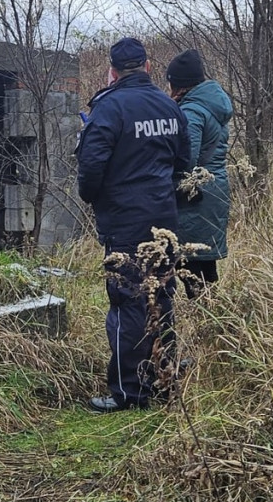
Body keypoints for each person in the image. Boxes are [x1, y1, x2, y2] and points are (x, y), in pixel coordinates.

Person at [76, 37, 190, 413]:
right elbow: (183, 163)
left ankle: (129, 393)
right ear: (147, 67)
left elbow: (91, 168)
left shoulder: (108, 108)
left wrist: (96, 198)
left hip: (124, 221)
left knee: (127, 300)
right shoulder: (170, 107)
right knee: (162, 295)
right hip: (164, 220)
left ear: (112, 71)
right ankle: (164, 378)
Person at [166, 49, 233, 298]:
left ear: (180, 84)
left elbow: (185, 159)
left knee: (192, 267)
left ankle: (207, 324)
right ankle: (211, 320)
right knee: (204, 266)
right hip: (212, 190)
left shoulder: (192, 111)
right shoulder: (210, 105)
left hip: (195, 196)